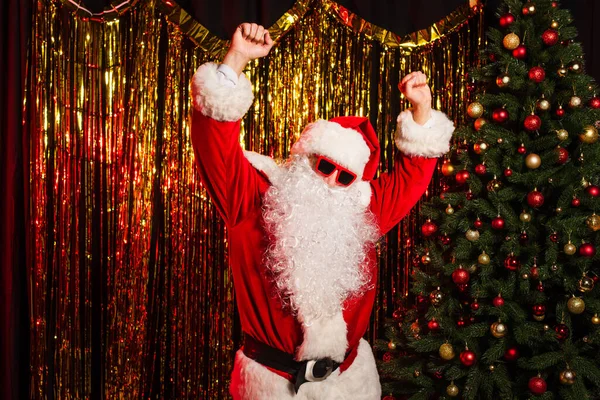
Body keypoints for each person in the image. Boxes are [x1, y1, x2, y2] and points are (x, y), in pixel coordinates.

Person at [190, 22, 454, 400]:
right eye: (324, 166)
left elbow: (414, 174)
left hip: (351, 385)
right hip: (272, 386)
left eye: (345, 176)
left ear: (356, 184)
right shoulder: (252, 198)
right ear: (304, 157)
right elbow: (213, 140)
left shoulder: (362, 212)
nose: (331, 181)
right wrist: (237, 60)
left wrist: (422, 108)